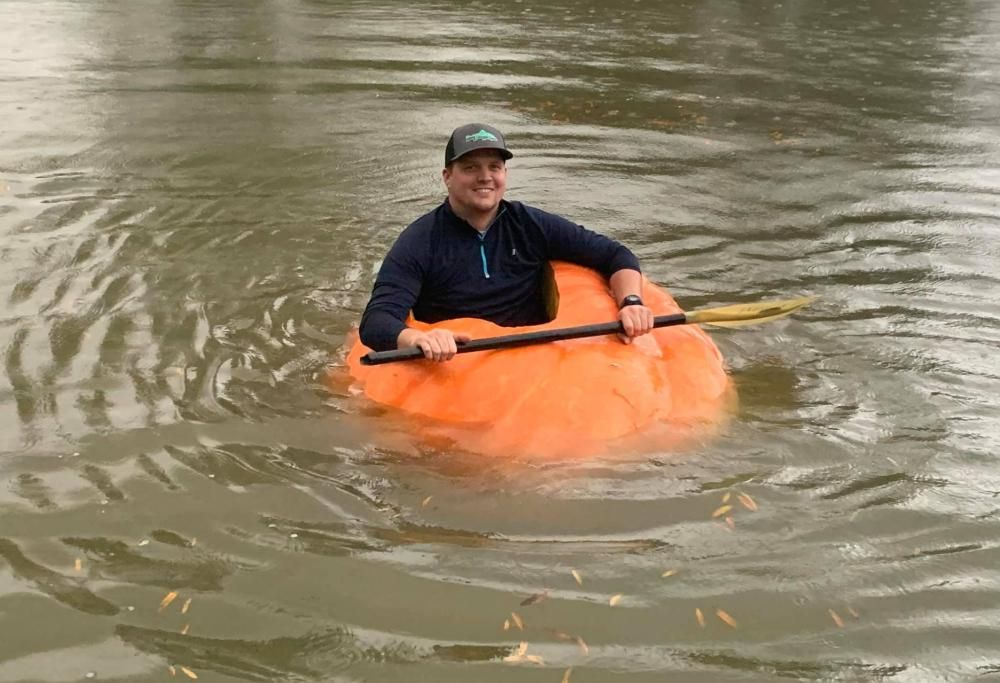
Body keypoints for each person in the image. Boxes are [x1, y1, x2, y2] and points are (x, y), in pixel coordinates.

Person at [359, 123, 654, 362]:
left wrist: (631, 303)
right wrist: (420, 338)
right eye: (470, 168)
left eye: (494, 167)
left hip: (534, 357)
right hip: (459, 362)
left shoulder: (530, 224)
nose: (485, 177)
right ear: (447, 177)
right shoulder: (420, 240)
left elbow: (615, 254)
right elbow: (377, 320)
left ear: (505, 174)